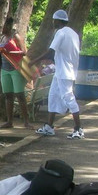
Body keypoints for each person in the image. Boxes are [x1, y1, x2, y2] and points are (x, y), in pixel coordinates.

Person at [30, 9, 85, 139]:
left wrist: (34, 61)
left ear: (59, 21)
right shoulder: (73, 33)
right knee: (53, 96)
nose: (53, 23)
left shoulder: (60, 33)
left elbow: (51, 52)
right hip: (64, 71)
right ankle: (49, 127)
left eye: (54, 20)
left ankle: (78, 129)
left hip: (64, 72)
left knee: (69, 98)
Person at [0, 16, 32, 129]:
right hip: (5, 70)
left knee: (20, 95)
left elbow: (24, 52)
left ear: (9, 26)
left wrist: (9, 51)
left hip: (16, 69)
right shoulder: (1, 38)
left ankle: (26, 121)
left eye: (4, 26)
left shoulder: (15, 37)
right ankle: (9, 121)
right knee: (8, 95)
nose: (2, 28)